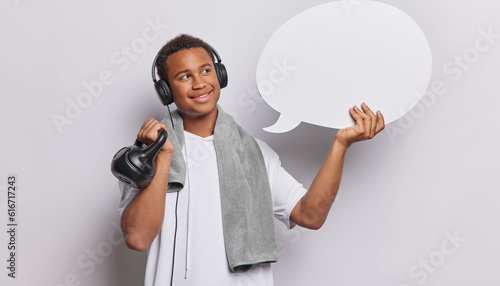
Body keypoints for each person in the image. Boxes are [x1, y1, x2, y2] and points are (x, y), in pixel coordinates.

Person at [118, 34, 385, 286]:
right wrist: (164, 154)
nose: (199, 83)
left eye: (206, 70)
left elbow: (310, 215)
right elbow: (138, 238)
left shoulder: (256, 153)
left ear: (220, 75)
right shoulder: (144, 157)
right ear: (166, 90)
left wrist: (340, 144)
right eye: (184, 76)